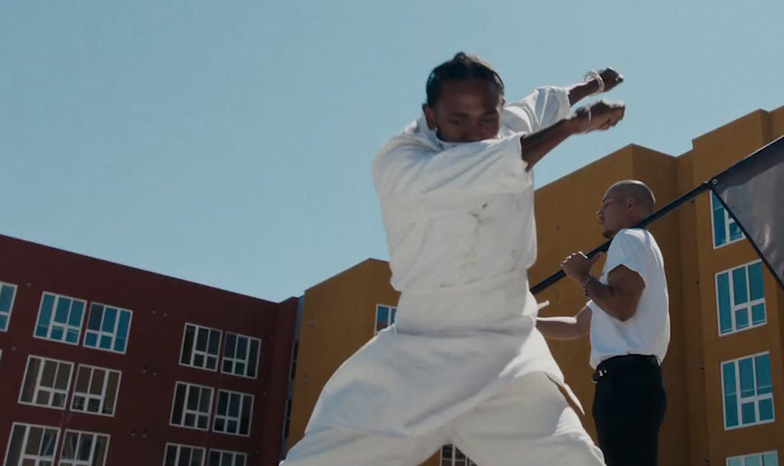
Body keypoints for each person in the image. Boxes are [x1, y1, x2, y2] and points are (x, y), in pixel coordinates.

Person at [282, 53, 627, 466]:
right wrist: (574, 127)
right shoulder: (401, 162)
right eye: (457, 120)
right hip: (420, 352)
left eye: (487, 118)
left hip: (506, 353)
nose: (475, 132)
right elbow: (485, 167)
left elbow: (545, 101)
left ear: (500, 109)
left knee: (574, 460)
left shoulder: (508, 127)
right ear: (431, 115)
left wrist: (593, 85)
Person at [537, 180, 671, 466]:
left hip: (627, 380)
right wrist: (523, 323)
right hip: (628, 380)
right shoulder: (634, 249)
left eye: (607, 203)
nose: (599, 212)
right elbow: (576, 325)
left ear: (630, 204)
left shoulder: (629, 239)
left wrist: (582, 277)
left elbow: (621, 307)